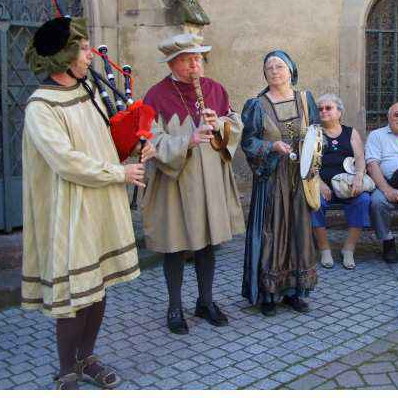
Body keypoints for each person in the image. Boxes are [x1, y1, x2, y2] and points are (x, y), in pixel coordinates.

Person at [21, 16, 154, 389]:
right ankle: (67, 368)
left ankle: (86, 357)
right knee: (75, 294)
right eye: (81, 49)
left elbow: (106, 137)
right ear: (64, 58)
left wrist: (137, 140)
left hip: (100, 203)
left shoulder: (89, 91)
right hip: (71, 208)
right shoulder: (41, 107)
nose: (89, 55)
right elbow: (67, 161)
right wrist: (120, 174)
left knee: (98, 287)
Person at [141, 33, 244, 334]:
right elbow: (149, 140)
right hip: (175, 182)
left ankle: (205, 301)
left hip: (211, 179)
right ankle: (174, 306)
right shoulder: (156, 95)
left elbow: (234, 125)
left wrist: (220, 125)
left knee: (208, 243)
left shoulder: (215, 89)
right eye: (189, 60)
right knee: (174, 246)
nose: (195, 65)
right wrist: (188, 139)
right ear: (173, 63)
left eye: (198, 58)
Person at [241, 50, 319, 316]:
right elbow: (248, 142)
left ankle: (295, 292)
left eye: (280, 66)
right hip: (272, 179)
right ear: (265, 73)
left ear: (291, 70)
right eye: (269, 67)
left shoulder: (306, 100)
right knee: (272, 233)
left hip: (299, 178)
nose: (275, 71)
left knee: (298, 232)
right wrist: (270, 146)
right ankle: (269, 294)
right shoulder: (257, 105)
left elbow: (316, 136)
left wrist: (312, 162)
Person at [311, 93, 371, 270]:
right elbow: (309, 164)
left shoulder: (350, 133)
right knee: (315, 204)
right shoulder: (314, 134)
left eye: (328, 108)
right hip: (323, 186)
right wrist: (319, 184)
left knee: (363, 200)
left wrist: (359, 177)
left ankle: (349, 249)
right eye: (320, 109)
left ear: (339, 112)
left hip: (347, 185)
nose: (323, 111)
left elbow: (360, 157)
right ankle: (325, 249)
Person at [365, 101, 398, 263]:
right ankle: (388, 241)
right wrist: (386, 189)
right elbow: (372, 165)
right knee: (377, 202)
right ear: (389, 117)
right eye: (396, 115)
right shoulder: (377, 135)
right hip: (387, 182)